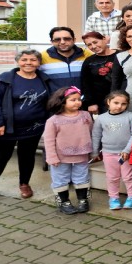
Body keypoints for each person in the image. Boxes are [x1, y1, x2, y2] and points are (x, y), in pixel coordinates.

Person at [0, 50, 53, 201]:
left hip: (34, 127)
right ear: (18, 61)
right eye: (24, 59)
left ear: (39, 63)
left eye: (33, 60)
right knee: (0, 157)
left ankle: (24, 184)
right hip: (5, 128)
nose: (28, 63)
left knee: (27, 157)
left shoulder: (44, 80)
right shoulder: (4, 79)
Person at [43, 86, 94, 214]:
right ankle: (63, 201)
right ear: (62, 101)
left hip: (82, 154)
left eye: (79, 99)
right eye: (73, 100)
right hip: (60, 157)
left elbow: (91, 132)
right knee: (60, 178)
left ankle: (83, 199)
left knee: (82, 177)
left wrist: (92, 151)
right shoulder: (53, 120)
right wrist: (51, 157)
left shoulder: (86, 115)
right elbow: (48, 141)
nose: (77, 102)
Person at [92, 90, 132, 210]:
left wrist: (127, 150)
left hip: (126, 154)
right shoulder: (101, 118)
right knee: (112, 177)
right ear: (108, 102)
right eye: (116, 102)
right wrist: (94, 151)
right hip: (108, 153)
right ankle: (113, 198)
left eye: (123, 104)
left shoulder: (131, 117)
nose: (119, 106)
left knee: (128, 177)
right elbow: (96, 135)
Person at [81, 31, 118, 115]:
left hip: (122, 99)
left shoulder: (120, 55)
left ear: (104, 39)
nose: (93, 46)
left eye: (95, 42)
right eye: (89, 45)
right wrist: (91, 103)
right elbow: (86, 83)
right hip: (101, 103)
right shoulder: (89, 61)